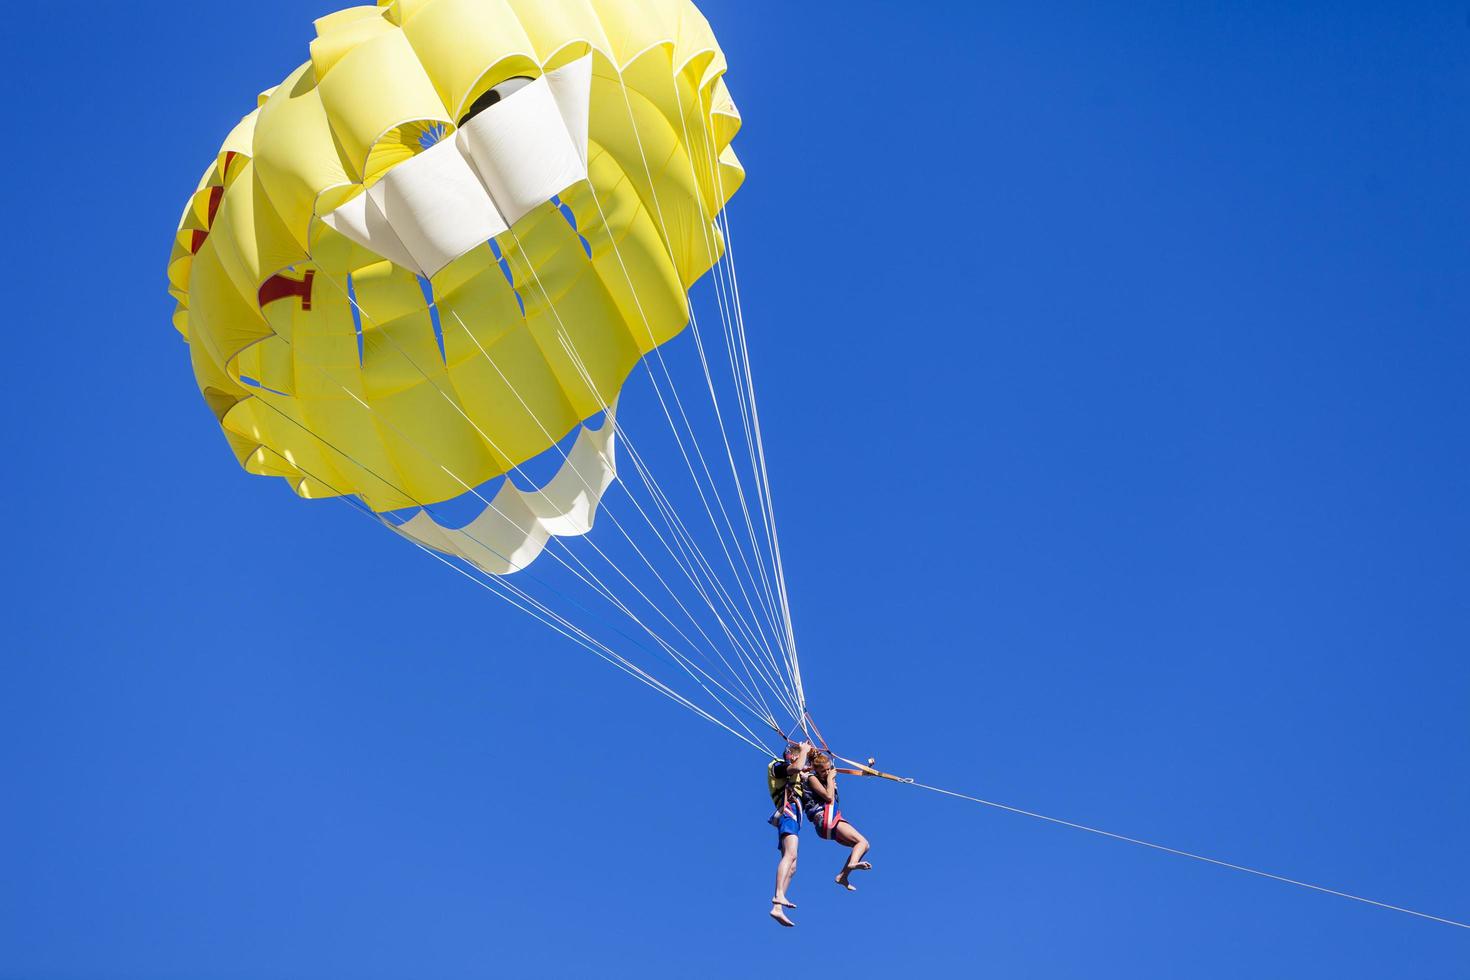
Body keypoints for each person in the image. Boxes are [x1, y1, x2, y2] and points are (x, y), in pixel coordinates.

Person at [801, 748, 873, 891]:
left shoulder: (825, 775)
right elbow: (828, 797)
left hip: (829, 823)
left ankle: (843, 876)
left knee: (862, 846)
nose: (827, 773)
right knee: (862, 842)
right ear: (815, 770)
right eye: (823, 771)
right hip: (824, 819)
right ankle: (852, 865)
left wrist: (868, 768)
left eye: (828, 770)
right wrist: (829, 779)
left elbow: (851, 772)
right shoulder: (812, 778)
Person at [766, 741, 810, 926]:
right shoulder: (778, 766)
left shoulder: (795, 772)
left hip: (793, 816)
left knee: (793, 866)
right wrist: (804, 751)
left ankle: (777, 907)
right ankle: (778, 895)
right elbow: (797, 767)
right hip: (788, 813)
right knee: (790, 854)